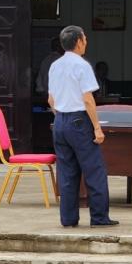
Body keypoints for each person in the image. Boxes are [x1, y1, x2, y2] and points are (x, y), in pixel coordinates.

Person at [47, 25, 117, 229]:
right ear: (78, 42)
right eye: (85, 38)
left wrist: (62, 116)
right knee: (94, 170)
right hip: (79, 121)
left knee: (67, 173)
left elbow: (51, 99)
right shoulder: (82, 65)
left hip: (60, 121)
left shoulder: (55, 66)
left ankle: (68, 219)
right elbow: (87, 99)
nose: (86, 42)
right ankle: (99, 217)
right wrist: (97, 127)